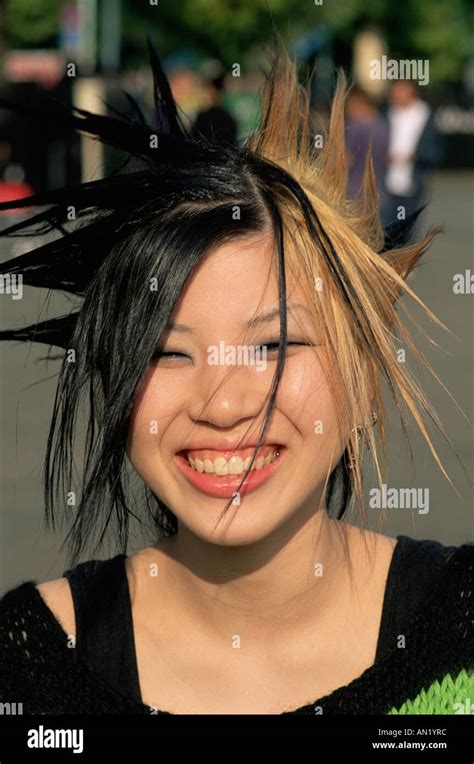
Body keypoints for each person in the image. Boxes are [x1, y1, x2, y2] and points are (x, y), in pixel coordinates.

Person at [0, 38, 472, 716]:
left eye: (274, 345)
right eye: (168, 352)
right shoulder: (30, 671)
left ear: (366, 373)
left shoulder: (460, 633)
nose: (222, 404)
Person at [385, 80, 443, 225]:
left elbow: (436, 151)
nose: (395, 94)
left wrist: (415, 157)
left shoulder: (425, 115)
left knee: (407, 227)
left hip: (413, 182)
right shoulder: (388, 114)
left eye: (400, 90)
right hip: (385, 182)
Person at [344, 85, 389, 212]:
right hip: (379, 194)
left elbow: (346, 159)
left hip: (354, 193)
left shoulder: (355, 126)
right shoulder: (383, 125)